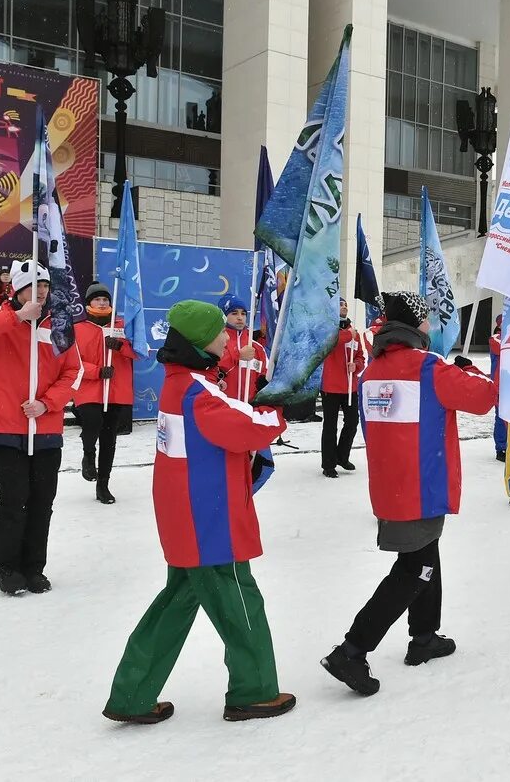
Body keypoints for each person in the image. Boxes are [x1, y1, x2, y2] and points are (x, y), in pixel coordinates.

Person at [103, 300, 294, 724]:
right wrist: (278, 405)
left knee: (175, 604)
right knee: (241, 602)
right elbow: (249, 427)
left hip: (186, 515)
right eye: (220, 332)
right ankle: (255, 691)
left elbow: (218, 366)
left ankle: (132, 694)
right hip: (209, 519)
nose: (229, 336)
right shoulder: (198, 394)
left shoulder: (181, 380)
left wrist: (244, 368)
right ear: (199, 341)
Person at [321, 291, 495, 696]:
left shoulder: (371, 371)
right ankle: (352, 649)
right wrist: (474, 372)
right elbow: (485, 399)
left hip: (390, 485)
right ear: (415, 326)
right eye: (427, 321)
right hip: (422, 484)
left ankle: (424, 637)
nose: (431, 327)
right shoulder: (427, 367)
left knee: (424, 557)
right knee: (414, 569)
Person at [0, 259, 82, 596]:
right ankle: (8, 567)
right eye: (32, 285)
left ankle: (33, 567)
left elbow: (74, 372)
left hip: (44, 427)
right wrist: (16, 316)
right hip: (2, 424)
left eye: (44, 285)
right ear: (16, 288)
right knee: (15, 497)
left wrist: (47, 402)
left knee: (42, 500)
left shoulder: (59, 324)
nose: (40, 291)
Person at [73, 281, 137, 505]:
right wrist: (96, 372)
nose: (102, 303)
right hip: (89, 388)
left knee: (109, 438)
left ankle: (103, 484)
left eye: (105, 300)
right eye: (97, 299)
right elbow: (73, 361)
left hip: (116, 389)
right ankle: (88, 454)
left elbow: (140, 352)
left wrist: (121, 347)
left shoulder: (123, 326)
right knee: (92, 421)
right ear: (88, 303)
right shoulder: (78, 328)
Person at [320, 297, 366, 478]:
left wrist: (356, 365)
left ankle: (342, 456)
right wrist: (350, 334)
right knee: (330, 427)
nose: (345, 307)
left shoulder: (353, 331)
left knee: (352, 422)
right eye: (341, 304)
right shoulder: (327, 328)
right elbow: (331, 341)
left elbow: (361, 357)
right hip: (330, 387)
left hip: (350, 387)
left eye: (346, 304)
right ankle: (328, 464)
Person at [216, 295, 267, 403]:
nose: (240, 317)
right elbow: (209, 370)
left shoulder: (257, 348)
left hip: (249, 412)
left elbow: (266, 381)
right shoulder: (215, 342)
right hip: (220, 410)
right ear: (223, 316)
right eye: (234, 313)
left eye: (243, 313)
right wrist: (237, 355)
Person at [490, 315, 506, 461]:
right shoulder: (495, 338)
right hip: (500, 387)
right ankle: (501, 448)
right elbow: (505, 348)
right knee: (501, 418)